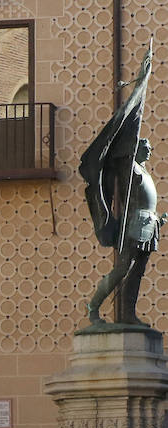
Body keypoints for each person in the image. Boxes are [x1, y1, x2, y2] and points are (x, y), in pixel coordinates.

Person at [80, 50, 165, 326]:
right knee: (122, 268)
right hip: (133, 224)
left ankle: (129, 315)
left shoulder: (145, 171)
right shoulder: (131, 167)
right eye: (145, 146)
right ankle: (93, 306)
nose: (149, 150)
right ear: (135, 147)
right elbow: (123, 147)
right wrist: (142, 81)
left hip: (147, 224)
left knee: (137, 271)